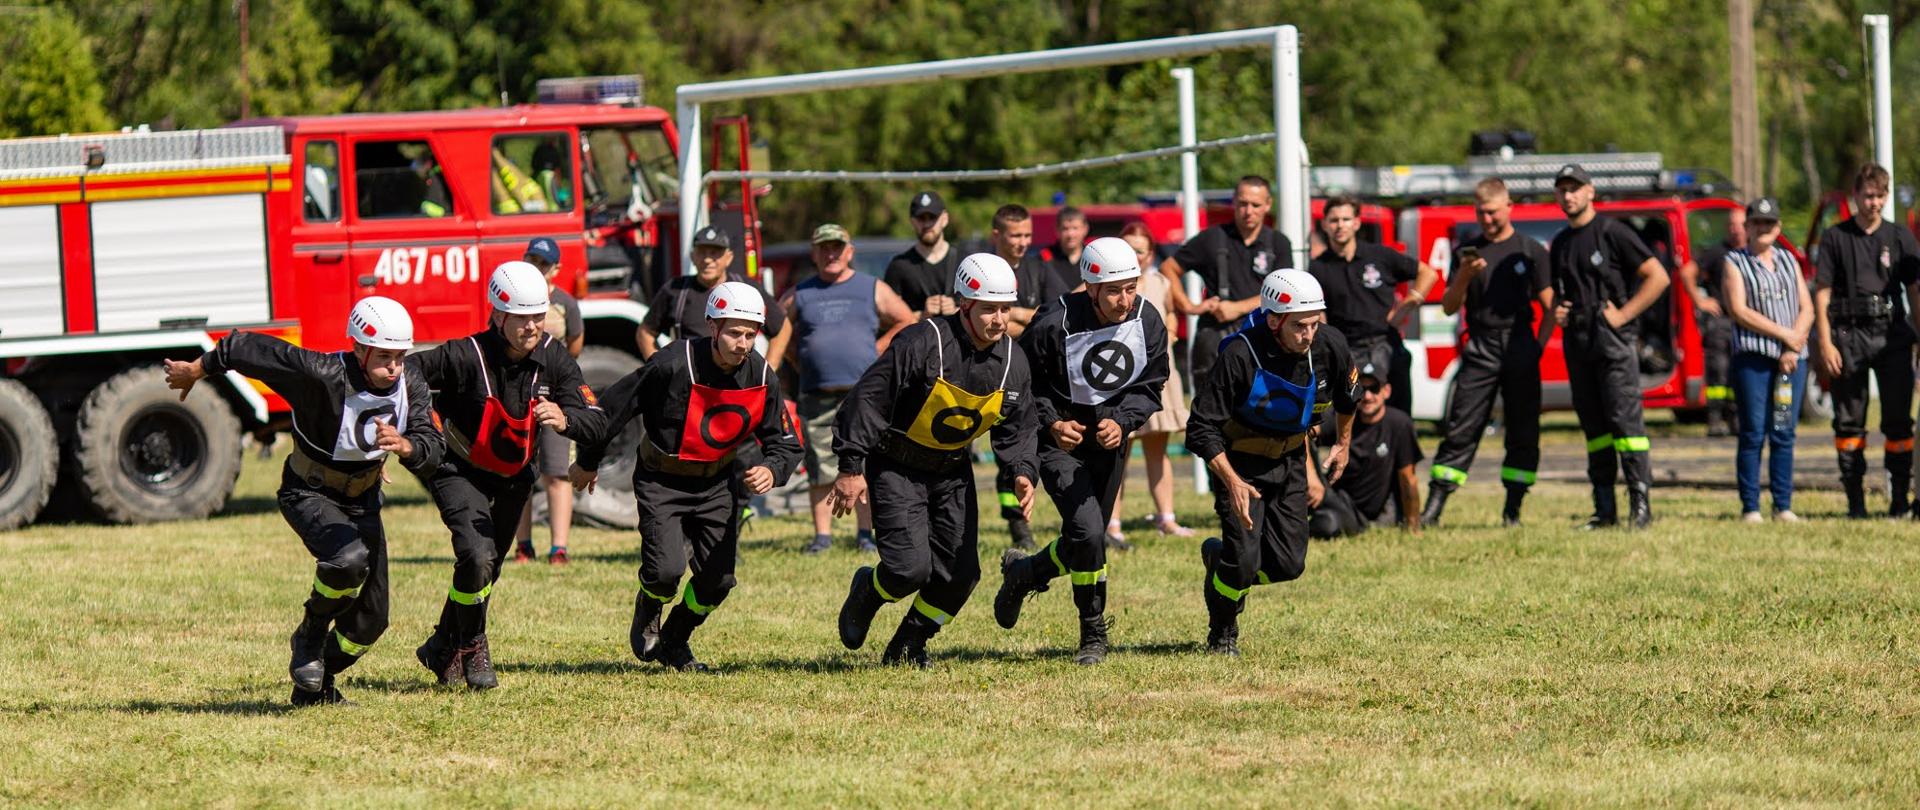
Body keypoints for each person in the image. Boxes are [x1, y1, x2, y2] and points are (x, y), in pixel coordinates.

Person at [163, 297, 444, 706]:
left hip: (363, 499)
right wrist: (198, 369)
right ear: (360, 349)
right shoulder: (320, 374)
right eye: (384, 357)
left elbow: (432, 445)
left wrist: (406, 446)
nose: (395, 367)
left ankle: (316, 683)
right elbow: (245, 347)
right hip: (307, 492)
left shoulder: (410, 383)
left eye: (401, 357)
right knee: (348, 560)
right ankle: (310, 633)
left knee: (370, 622)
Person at [568, 282, 803, 671]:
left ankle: (676, 640)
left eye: (750, 334)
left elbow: (786, 443)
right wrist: (589, 461)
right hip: (662, 480)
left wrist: (772, 469)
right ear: (712, 327)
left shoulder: (762, 375)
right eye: (733, 332)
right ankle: (650, 602)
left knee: (718, 581)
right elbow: (614, 409)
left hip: (717, 485)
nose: (742, 343)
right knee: (666, 572)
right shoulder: (672, 363)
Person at [829, 254, 1040, 668]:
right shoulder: (921, 342)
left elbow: (1019, 425)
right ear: (965, 305)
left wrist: (1023, 472)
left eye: (1005, 309)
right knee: (908, 570)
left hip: (952, 473)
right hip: (896, 465)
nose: (999, 320)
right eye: (989, 309)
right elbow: (869, 399)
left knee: (960, 577)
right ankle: (868, 590)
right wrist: (851, 467)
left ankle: (909, 644)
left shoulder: (1014, 362)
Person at [407, 262, 601, 690]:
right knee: (477, 556)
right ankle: (474, 644)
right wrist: (422, 423)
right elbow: (407, 372)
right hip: (458, 470)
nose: (532, 326)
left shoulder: (555, 358)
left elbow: (596, 419)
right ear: (497, 314)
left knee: (486, 569)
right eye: (522, 317)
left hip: (514, 477)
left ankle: (442, 644)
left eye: (538, 315)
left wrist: (567, 420)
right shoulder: (464, 353)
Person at [992, 237, 1169, 665]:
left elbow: (1152, 385)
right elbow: (1022, 383)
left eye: (1131, 287)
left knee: (1083, 538)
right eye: (1114, 290)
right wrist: (1053, 422)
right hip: (1058, 444)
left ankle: (1026, 572)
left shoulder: (1147, 320)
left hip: (1109, 443)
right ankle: (1093, 633)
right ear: (1089, 287)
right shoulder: (1053, 321)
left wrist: (1124, 421)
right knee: (1091, 533)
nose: (1125, 299)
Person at [1187, 268, 1355, 656]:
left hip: (1291, 461)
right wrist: (1231, 481)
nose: (1309, 334)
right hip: (1240, 466)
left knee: (1288, 565)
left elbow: (1348, 398)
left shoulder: (1330, 345)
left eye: (1314, 324)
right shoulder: (1238, 353)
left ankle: (1220, 563)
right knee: (1244, 560)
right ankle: (1223, 632)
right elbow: (1200, 428)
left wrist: (1342, 444)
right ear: (1274, 319)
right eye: (1299, 326)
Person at [1419, 178, 1554, 528]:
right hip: (1480, 345)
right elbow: (1449, 306)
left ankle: (1513, 510)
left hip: (1520, 343)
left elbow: (1550, 304)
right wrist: (1464, 275)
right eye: (1480, 212)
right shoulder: (1468, 250)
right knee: (1461, 424)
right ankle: (1433, 509)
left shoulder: (1529, 249)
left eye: (1492, 211)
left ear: (1508, 207)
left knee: (1523, 430)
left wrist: (1537, 346)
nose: (1487, 219)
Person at [781, 223, 915, 554]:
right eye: (823, 248)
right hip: (816, 393)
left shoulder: (872, 287)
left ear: (849, 252)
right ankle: (822, 537)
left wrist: (879, 350)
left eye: (837, 247)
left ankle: (865, 534)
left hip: (864, 394)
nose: (831, 254)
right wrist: (796, 356)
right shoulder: (801, 293)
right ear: (814, 254)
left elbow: (907, 320)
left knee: (866, 464)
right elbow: (778, 327)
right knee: (820, 466)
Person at [1549, 163, 1669, 530]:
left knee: (1625, 423)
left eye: (1575, 188)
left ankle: (1640, 507)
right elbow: (1559, 293)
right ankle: (1604, 510)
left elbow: (1658, 277)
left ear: (1590, 192)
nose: (1568, 195)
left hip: (1612, 340)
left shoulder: (1613, 231)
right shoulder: (1561, 242)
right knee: (1595, 427)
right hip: (1578, 340)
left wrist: (1624, 315)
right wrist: (1559, 311)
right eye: (1563, 190)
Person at [1813, 163, 1920, 519]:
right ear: (1855, 195)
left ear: (1887, 197)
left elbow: (1915, 291)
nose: (1873, 202)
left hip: (1892, 335)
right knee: (1849, 423)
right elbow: (1822, 292)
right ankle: (1855, 502)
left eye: (1879, 196)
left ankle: (1898, 501)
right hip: (1848, 336)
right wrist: (1825, 343)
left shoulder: (1900, 237)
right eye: (1867, 195)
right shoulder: (1835, 237)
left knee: (1898, 422)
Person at [1721, 197, 1813, 522]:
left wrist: (1793, 345)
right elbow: (1739, 310)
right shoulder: (1735, 262)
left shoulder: (1789, 259)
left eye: (1769, 223)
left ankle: (1783, 505)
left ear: (1779, 228)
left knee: (1783, 430)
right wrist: (1783, 336)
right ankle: (1750, 506)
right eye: (1756, 223)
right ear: (1746, 227)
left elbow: (1807, 307)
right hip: (1754, 360)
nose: (1763, 229)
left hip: (1790, 362)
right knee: (1753, 432)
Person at [1160, 176, 1294, 387]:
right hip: (1216, 339)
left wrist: (1237, 308)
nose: (1248, 211)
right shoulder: (1212, 238)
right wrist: (1188, 306)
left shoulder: (1278, 243)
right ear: (1233, 201)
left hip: (1265, 338)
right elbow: (1168, 268)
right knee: (1213, 414)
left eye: (1256, 205)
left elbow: (1286, 293)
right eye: (1243, 203)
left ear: (1268, 205)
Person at [1309, 195, 1437, 415]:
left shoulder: (1380, 256)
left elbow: (1428, 273)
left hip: (1385, 343)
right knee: (1345, 417)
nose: (1340, 225)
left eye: (1346, 219)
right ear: (1324, 225)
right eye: (1334, 220)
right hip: (1348, 349)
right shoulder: (1317, 267)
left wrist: (1406, 305)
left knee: (1398, 415)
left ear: (1357, 223)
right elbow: (1319, 315)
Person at [1108, 223, 1194, 543]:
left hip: (1157, 376)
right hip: (1121, 377)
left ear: (1151, 254)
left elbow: (1171, 314)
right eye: (1127, 249)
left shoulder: (1160, 282)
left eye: (1139, 251)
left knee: (1159, 450)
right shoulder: (1112, 286)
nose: (1134, 256)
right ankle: (1112, 523)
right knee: (1119, 454)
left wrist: (1169, 333)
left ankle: (1167, 518)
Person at [515, 237, 584, 566]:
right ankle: (523, 546)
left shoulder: (566, 304)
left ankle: (559, 548)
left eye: (543, 263)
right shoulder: (512, 298)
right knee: (519, 473)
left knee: (557, 473)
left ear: (556, 269)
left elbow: (575, 345)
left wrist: (556, 376)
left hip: (555, 398)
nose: (536, 268)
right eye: (531, 260)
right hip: (518, 397)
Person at [637, 225, 789, 366]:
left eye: (715, 253)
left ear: (728, 257)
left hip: (738, 384)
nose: (708, 259)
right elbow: (645, 333)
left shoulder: (746, 289)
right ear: (692, 256)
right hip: (691, 385)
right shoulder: (675, 290)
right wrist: (660, 369)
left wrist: (768, 370)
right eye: (702, 252)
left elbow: (782, 328)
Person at [1310, 363, 1422, 538]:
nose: (1368, 396)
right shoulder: (1344, 418)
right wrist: (1312, 480)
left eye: (1374, 389)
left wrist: (1413, 527)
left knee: (1327, 525)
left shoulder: (1399, 424)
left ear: (1387, 391)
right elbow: (1304, 433)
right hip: (1332, 495)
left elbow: (1408, 479)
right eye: (1362, 389)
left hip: (1358, 514)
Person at [1677, 206, 1746, 437]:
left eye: (1741, 224)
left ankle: (1736, 419)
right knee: (1719, 372)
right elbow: (1687, 272)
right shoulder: (1717, 252)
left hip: (1746, 323)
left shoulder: (1754, 253)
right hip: (1721, 322)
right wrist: (1700, 301)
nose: (1736, 230)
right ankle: (1715, 420)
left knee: (1740, 373)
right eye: (1732, 225)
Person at [883, 191, 962, 320]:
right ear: (912, 221)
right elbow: (886, 319)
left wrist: (957, 311)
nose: (927, 224)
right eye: (921, 218)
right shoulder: (899, 265)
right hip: (919, 338)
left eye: (932, 218)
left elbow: (982, 309)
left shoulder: (965, 260)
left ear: (945, 219)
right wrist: (922, 315)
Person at [1039, 206, 1090, 294]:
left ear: (1085, 229)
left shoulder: (1093, 257)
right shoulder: (1044, 258)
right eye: (1065, 229)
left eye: (1075, 228)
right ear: (1057, 230)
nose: (1070, 234)